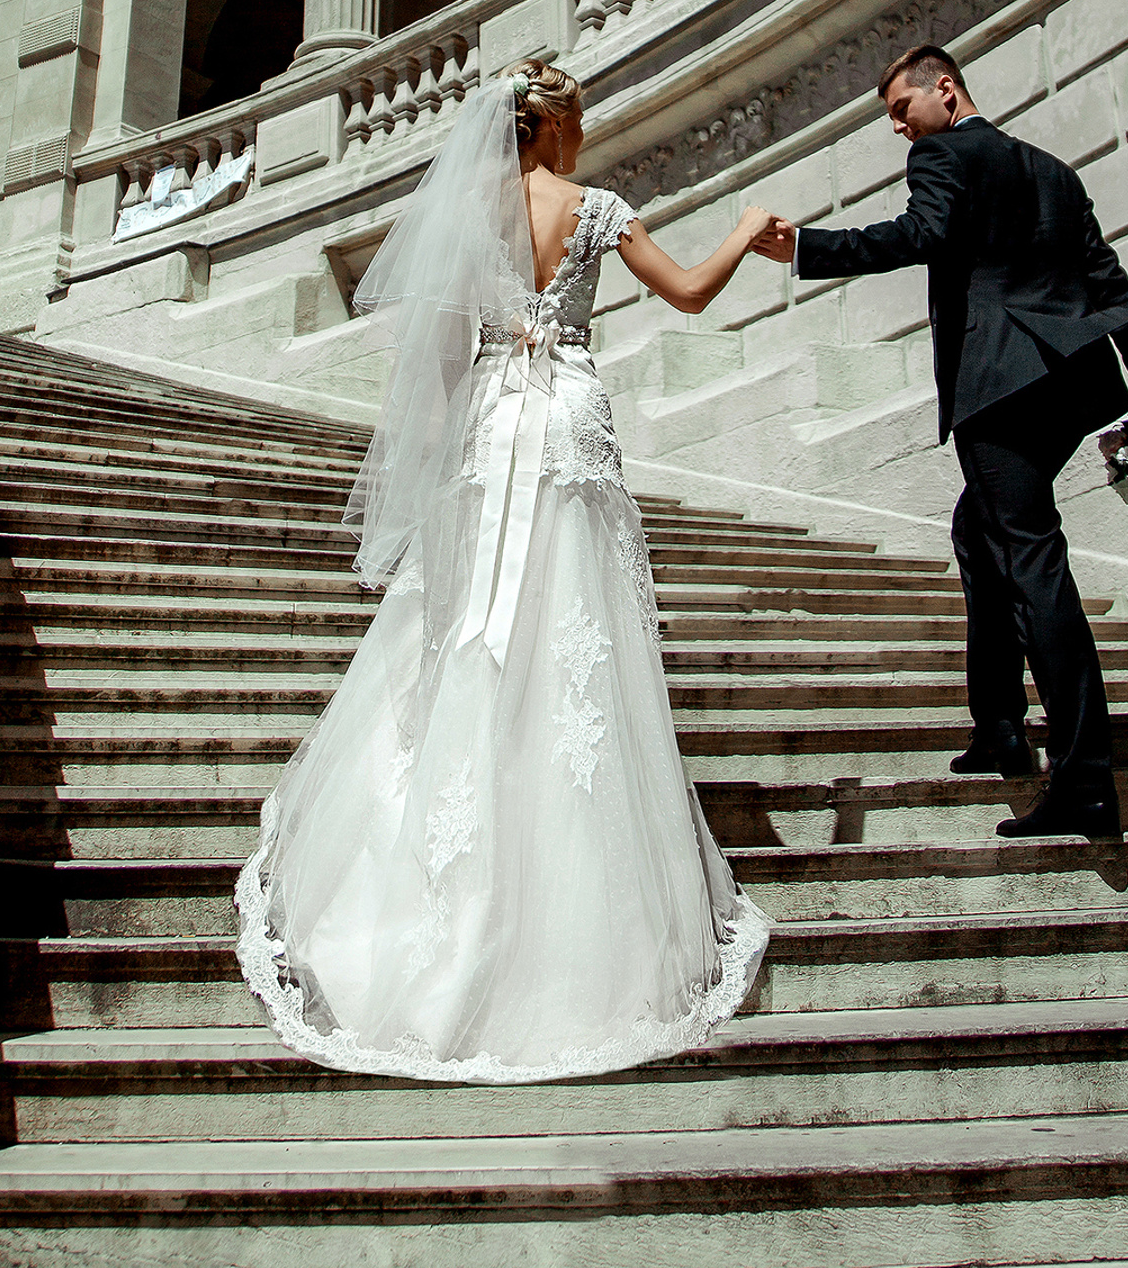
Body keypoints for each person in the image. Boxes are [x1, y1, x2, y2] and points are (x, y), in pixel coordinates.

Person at [235, 61, 775, 1081]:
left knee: (474, 631)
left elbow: (438, 366)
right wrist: (747, 228)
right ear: (561, 128)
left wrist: (431, 477)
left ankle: (433, 882)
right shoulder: (599, 207)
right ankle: (572, 893)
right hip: (569, 421)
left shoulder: (471, 216)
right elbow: (693, 294)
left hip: (490, 427)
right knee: (575, 632)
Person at [754, 45, 1128, 843]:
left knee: (1031, 559)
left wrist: (807, 247)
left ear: (944, 90)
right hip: (1069, 384)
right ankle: (999, 725)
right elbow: (1110, 285)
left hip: (1001, 382)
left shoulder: (941, 151)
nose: (896, 127)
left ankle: (1085, 778)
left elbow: (922, 234)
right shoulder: (1054, 169)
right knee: (977, 531)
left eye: (899, 109)